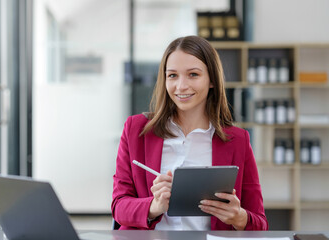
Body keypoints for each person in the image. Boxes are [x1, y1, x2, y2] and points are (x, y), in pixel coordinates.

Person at [111, 35, 268, 231]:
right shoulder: (136, 130)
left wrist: (239, 217)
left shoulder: (238, 140)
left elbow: (260, 224)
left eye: (193, 74)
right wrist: (154, 206)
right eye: (173, 75)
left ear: (212, 80)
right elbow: (119, 207)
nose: (181, 86)